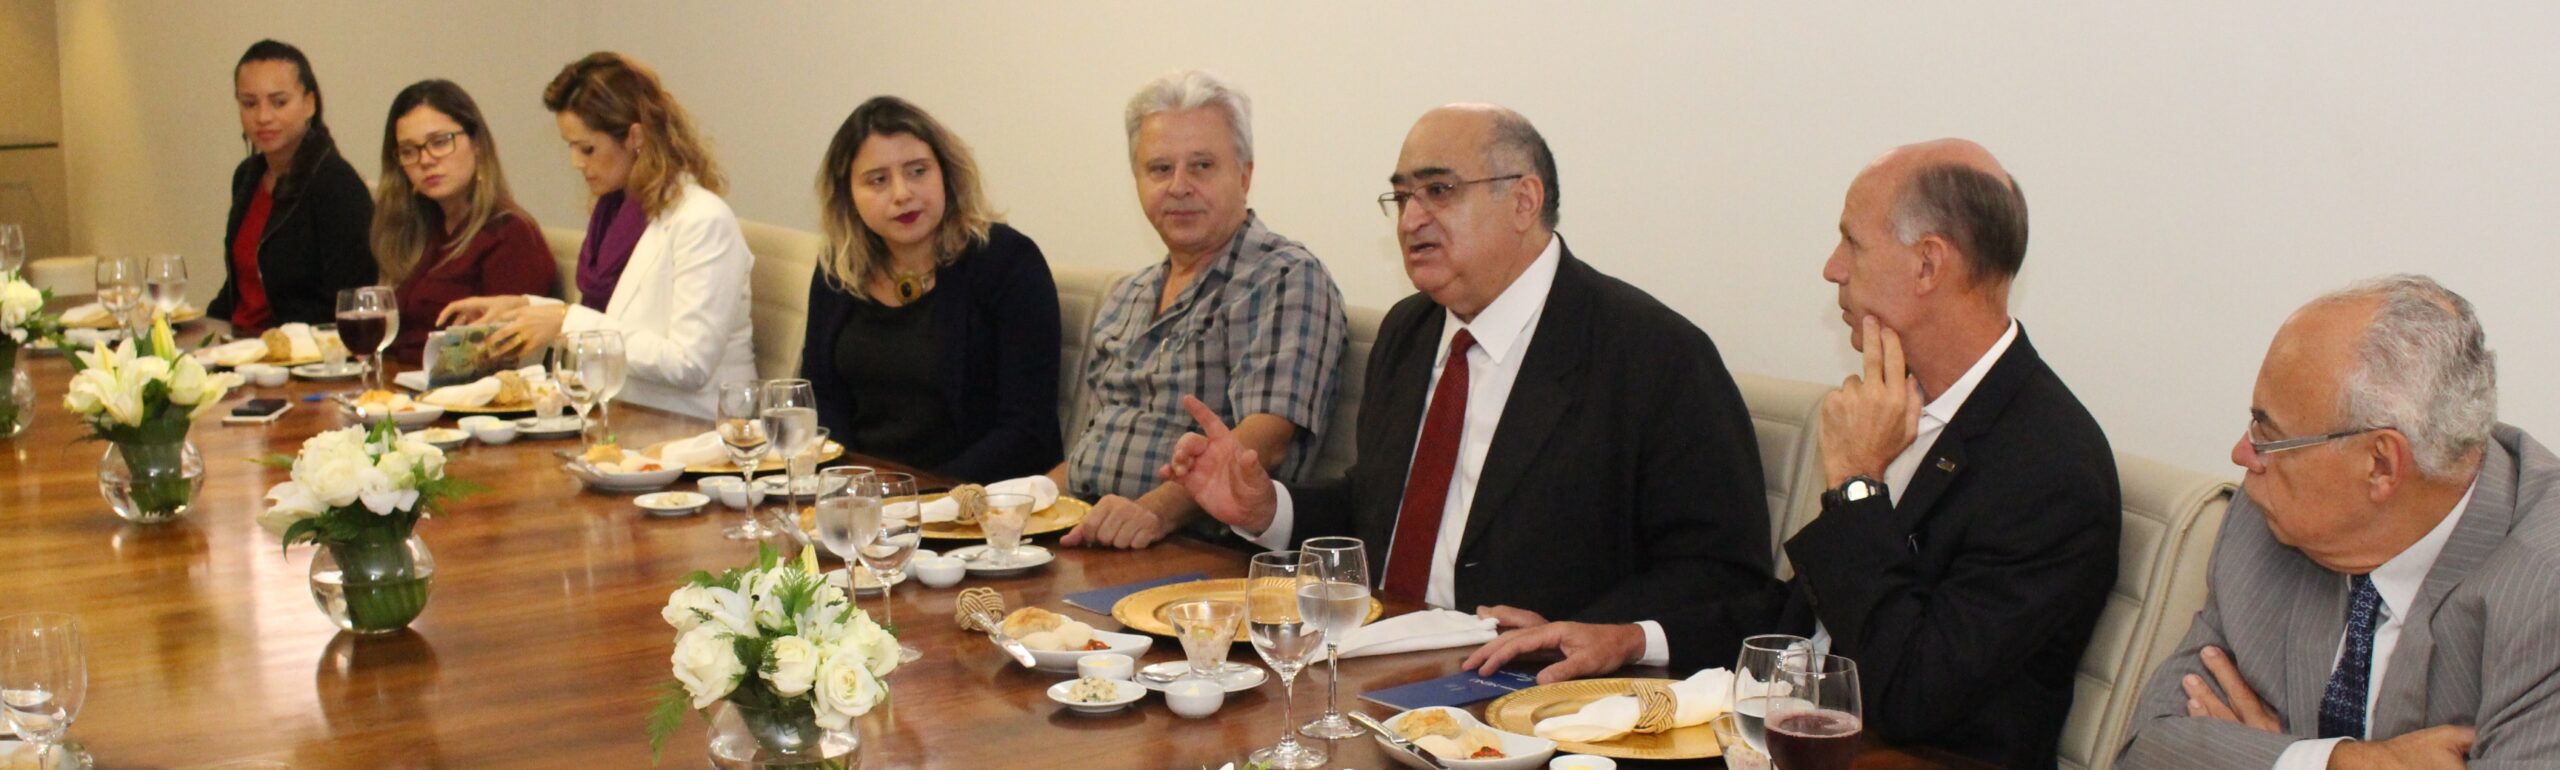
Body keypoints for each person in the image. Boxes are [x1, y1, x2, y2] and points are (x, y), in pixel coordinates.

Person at [1462, 140, 2121, 770]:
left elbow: (1911, 694)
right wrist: (1629, 638)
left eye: (1852, 243)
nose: (1832, 268)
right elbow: (1804, 621)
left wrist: (1857, 485)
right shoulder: (1899, 402)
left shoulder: (2050, 468)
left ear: (1927, 265)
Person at [1166, 104, 1770, 646]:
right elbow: (1381, 508)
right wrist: (1265, 509)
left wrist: (1608, 634)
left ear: (1524, 201)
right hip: (1377, 655)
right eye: (1402, 196)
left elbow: (1724, 574)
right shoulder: (1410, 331)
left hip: (1538, 691)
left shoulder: (1653, 355)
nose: (1411, 220)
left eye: (1439, 191)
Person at [2119, 275, 2560, 769]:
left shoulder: (2545, 597)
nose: (2242, 454)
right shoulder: (2269, 521)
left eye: (2270, 433)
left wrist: (2267, 758)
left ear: (2381, 465)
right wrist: (2337, 763)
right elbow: (2146, 751)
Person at [1055, 69, 1348, 548]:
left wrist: (1153, 513)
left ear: (1245, 175)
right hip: (1094, 530)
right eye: (1159, 169)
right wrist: (1021, 501)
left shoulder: (1284, 277)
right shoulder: (1128, 295)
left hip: (1200, 548)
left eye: (1202, 166)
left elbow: (1265, 442)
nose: (1179, 186)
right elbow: (1093, 447)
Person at [440, 52, 755, 419]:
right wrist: (525, 309)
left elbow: (688, 363)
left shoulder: (702, 220)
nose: (576, 162)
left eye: (587, 148)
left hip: (696, 426)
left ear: (635, 137)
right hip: (625, 417)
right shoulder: (615, 215)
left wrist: (564, 321)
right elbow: (612, 319)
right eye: (570, 147)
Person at [798, 96, 1061, 482]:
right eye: (878, 180)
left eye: (918, 171)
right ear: (848, 195)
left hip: (977, 497)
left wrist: (918, 493)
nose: (902, 193)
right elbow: (821, 399)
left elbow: (1028, 429)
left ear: (946, 174)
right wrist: (854, 485)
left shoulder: (1006, 261)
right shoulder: (838, 271)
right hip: (865, 496)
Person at [370, 79, 557, 364]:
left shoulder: (510, 235)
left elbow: (504, 356)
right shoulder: (419, 229)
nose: (425, 160)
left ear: (477, 144)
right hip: (396, 382)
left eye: (440, 142)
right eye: (409, 151)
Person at [210, 39, 376, 333]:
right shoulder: (247, 176)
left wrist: (273, 342)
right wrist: (199, 326)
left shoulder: (337, 184)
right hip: (239, 343)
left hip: (299, 350)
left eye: (279, 102)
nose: (263, 117)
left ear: (309, 104)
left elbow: (346, 302)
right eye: (249, 103)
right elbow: (242, 286)